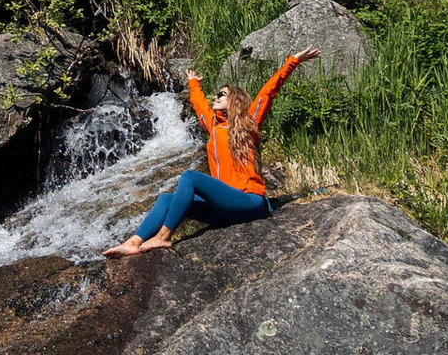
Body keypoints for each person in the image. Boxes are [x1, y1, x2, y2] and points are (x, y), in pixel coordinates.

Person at [103, 47, 319, 256]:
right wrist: (193, 83)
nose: (215, 97)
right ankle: (134, 242)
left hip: (249, 202)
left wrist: (293, 62)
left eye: (221, 94)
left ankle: (163, 236)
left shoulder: (248, 123)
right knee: (166, 199)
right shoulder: (214, 127)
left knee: (190, 177)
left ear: (234, 100)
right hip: (223, 208)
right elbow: (199, 105)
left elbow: (268, 92)